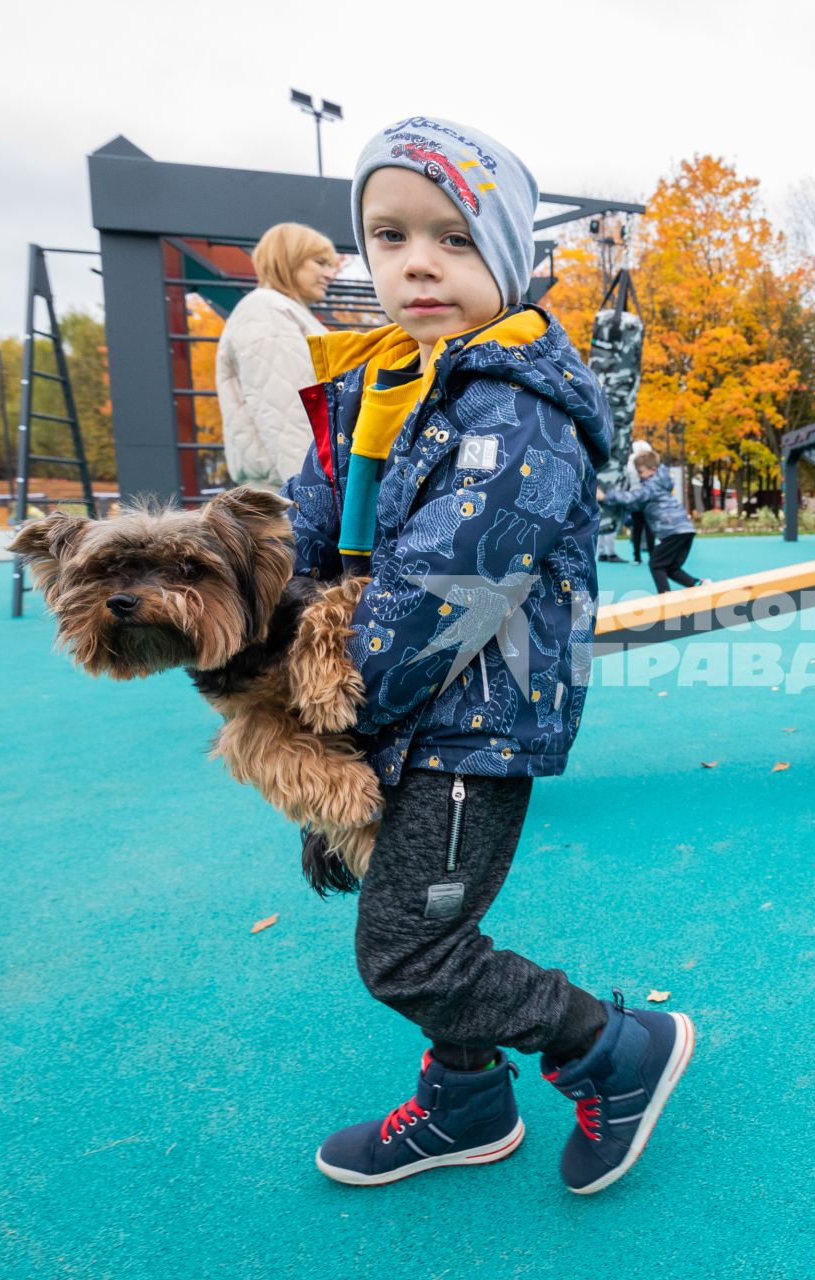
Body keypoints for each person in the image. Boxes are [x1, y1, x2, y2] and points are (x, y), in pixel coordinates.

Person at [282, 116, 695, 1195]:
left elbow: (432, 607)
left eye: (454, 239)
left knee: (409, 948)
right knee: (428, 913)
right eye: (390, 235)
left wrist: (328, 726)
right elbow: (305, 542)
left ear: (508, 261)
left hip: (467, 722)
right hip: (393, 713)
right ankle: (466, 1099)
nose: (417, 262)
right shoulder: (382, 384)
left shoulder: (512, 411)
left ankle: (614, 1046)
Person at [216, 223, 339, 489]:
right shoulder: (266, 310)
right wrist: (315, 497)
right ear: (288, 259)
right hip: (290, 493)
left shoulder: (278, 310)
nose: (330, 274)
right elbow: (286, 417)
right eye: (320, 263)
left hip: (290, 487)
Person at [603, 448, 701, 594]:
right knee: (671, 567)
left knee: (656, 564)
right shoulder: (662, 481)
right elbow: (637, 504)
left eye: (641, 472)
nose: (640, 476)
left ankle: (664, 596)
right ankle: (699, 584)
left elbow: (633, 497)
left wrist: (605, 496)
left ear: (653, 469)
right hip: (685, 530)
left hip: (672, 530)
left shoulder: (651, 485)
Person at [625, 438, 655, 564]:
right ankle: (652, 555)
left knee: (637, 527)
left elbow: (627, 478)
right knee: (649, 527)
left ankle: (637, 556)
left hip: (634, 497)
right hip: (646, 496)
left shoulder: (630, 461)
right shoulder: (645, 461)